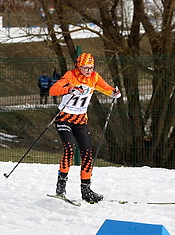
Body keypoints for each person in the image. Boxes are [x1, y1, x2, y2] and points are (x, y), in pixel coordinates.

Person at [49, 53, 121, 203]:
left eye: (91, 67)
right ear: (78, 66)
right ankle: (61, 184)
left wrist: (114, 93)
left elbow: (106, 88)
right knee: (69, 148)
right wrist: (69, 89)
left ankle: (86, 190)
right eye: (85, 68)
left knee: (87, 153)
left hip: (81, 119)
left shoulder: (94, 77)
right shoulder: (70, 76)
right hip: (64, 117)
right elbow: (53, 90)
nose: (89, 71)